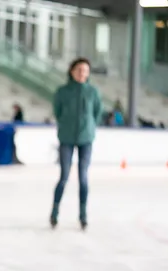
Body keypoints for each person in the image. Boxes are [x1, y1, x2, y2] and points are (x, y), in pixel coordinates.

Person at [50, 57, 102, 231]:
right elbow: (58, 111)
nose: (82, 74)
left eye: (85, 71)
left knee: (83, 177)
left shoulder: (93, 92)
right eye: (79, 70)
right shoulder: (63, 92)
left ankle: (83, 214)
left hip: (86, 138)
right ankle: (55, 212)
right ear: (72, 71)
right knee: (64, 176)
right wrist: (66, 124)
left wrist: (89, 127)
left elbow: (97, 113)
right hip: (66, 138)